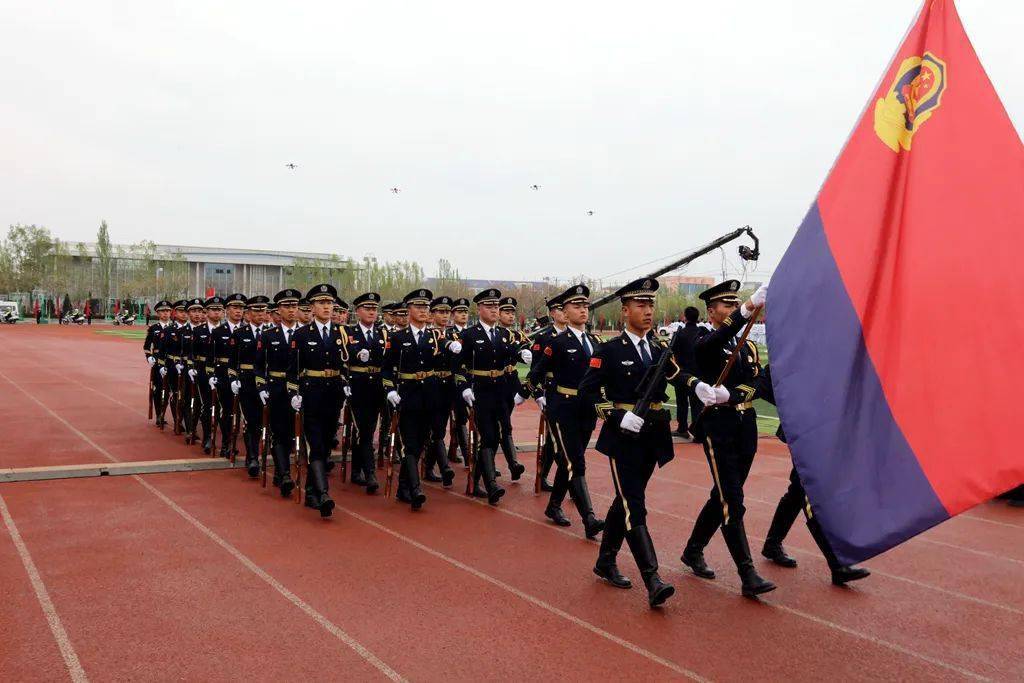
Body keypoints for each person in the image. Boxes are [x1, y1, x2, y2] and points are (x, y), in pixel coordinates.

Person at [578, 277, 691, 607]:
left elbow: (676, 374)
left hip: (652, 436)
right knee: (633, 504)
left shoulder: (657, 347)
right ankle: (652, 578)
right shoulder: (609, 350)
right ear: (625, 310)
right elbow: (588, 392)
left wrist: (696, 385)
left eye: (651, 305)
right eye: (641, 305)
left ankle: (605, 561)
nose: (648, 311)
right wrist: (614, 415)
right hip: (622, 437)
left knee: (625, 501)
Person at [680, 280, 777, 598]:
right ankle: (747, 573)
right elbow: (715, 341)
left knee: (722, 494)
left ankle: (693, 550)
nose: (734, 310)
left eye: (737, 304)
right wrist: (748, 309)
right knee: (732, 500)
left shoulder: (746, 345)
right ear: (712, 311)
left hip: (745, 425)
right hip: (718, 428)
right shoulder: (706, 340)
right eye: (728, 305)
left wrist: (732, 394)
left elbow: (759, 382)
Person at [752, 366, 872, 585]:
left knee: (797, 491)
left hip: (825, 432)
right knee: (811, 494)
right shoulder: (792, 352)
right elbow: (766, 380)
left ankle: (772, 543)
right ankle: (837, 564)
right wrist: (792, 408)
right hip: (803, 433)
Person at [527, 284, 605, 539]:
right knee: (575, 462)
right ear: (564, 311)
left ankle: (553, 505)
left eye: (585, 306)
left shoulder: (594, 341)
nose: (583, 310)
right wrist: (536, 395)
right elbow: (536, 373)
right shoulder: (556, 342)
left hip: (587, 409)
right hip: (562, 408)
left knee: (570, 460)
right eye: (576, 306)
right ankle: (589, 518)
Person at [382, 289, 447, 510]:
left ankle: (403, 488)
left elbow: (441, 366)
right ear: (409, 310)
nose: (423, 311)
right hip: (407, 395)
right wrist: (390, 389)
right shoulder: (397, 338)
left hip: (429, 396)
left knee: (420, 443)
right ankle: (416, 489)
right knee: (409, 443)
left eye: (425, 307)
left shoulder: (434, 337)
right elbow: (386, 369)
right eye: (418, 307)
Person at [287, 284, 349, 517]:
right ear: (312, 307)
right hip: (311, 395)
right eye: (321, 303)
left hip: (333, 396)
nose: (326, 307)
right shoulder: (301, 334)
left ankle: (312, 491)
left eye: (329, 303)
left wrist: (346, 384)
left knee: (325, 443)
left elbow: (345, 366)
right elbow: (292, 371)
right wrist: (294, 394)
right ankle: (323, 494)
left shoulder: (342, 333)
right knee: (315, 444)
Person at [453, 288, 512, 505]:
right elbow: (458, 366)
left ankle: (474, 481)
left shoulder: (503, 334)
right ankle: (492, 485)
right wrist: (464, 387)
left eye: (497, 306)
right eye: (490, 306)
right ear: (479, 309)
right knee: (487, 436)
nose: (495, 310)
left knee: (499, 435)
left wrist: (524, 352)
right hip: (480, 391)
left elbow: (512, 354)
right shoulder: (469, 335)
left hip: (500, 391)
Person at [255, 289, 302, 498]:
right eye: (287, 306)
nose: (291, 310)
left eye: (294, 306)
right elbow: (258, 367)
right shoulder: (268, 336)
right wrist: (262, 388)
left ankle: (282, 471)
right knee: (280, 432)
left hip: (300, 391)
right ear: (279, 310)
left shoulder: (305, 333)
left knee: (295, 433)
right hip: (276, 389)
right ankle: (283, 475)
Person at [525, 294, 569, 491]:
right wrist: (538, 394)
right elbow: (535, 370)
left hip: (572, 394)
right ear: (552, 313)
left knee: (559, 441)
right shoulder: (543, 338)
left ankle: (545, 475)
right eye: (561, 309)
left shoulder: (577, 336)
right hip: (551, 392)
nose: (565, 313)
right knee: (557, 440)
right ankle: (569, 480)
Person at [345, 291, 387, 494]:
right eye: (367, 308)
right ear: (358, 311)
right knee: (365, 430)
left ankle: (356, 471)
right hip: (358, 387)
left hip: (377, 388)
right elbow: (341, 359)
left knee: (366, 430)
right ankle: (370, 474)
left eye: (374, 309)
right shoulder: (348, 333)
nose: (372, 312)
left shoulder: (383, 334)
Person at [230, 295, 270, 477]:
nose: (260, 314)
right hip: (246, 381)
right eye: (256, 310)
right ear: (248, 313)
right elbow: (232, 362)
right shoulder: (239, 334)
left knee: (265, 421)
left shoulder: (271, 333)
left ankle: (261, 453)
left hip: (267, 382)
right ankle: (252, 456)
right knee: (251, 420)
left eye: (263, 310)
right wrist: (233, 379)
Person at [421, 295, 458, 486]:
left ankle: (429, 468)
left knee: (440, 428)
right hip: (431, 384)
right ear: (432, 314)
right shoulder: (426, 335)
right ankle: (444, 467)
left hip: (448, 386)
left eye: (447, 312)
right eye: (441, 312)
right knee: (434, 428)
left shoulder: (453, 336)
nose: (445, 316)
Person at [496, 296, 530, 481]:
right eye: (506, 312)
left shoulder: (517, 335)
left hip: (512, 380)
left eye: (512, 313)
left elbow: (528, 348)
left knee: (504, 423)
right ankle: (507, 464)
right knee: (500, 425)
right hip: (496, 381)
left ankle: (511, 464)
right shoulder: (495, 334)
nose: (510, 316)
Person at [209, 293, 246, 458]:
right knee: (227, 411)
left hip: (244, 374)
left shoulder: (247, 330)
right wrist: (212, 374)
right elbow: (212, 356)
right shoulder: (218, 331)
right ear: (227, 310)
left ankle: (236, 440)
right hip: (223, 374)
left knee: (240, 411)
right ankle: (226, 443)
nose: (238, 311)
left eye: (241, 308)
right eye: (235, 308)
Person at [671, 306, 706, 440]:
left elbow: (672, 351)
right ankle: (698, 432)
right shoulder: (702, 332)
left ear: (684, 317)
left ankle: (682, 428)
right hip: (699, 373)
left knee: (682, 403)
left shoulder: (679, 333)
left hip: (682, 373)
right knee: (697, 403)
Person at [447, 297, 472, 465]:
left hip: (471, 379)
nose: (463, 315)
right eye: (459, 312)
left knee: (466, 418)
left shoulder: (473, 333)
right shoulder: (448, 334)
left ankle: (453, 450)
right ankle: (467, 456)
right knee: (459, 417)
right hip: (453, 379)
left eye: (465, 312)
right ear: (453, 314)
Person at [144, 300, 173, 428]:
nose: (165, 314)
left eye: (167, 311)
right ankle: (159, 414)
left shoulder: (175, 328)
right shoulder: (153, 329)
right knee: (158, 389)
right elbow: (146, 347)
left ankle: (168, 413)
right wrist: (149, 357)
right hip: (157, 361)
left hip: (171, 360)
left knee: (170, 390)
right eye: (163, 311)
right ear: (158, 313)